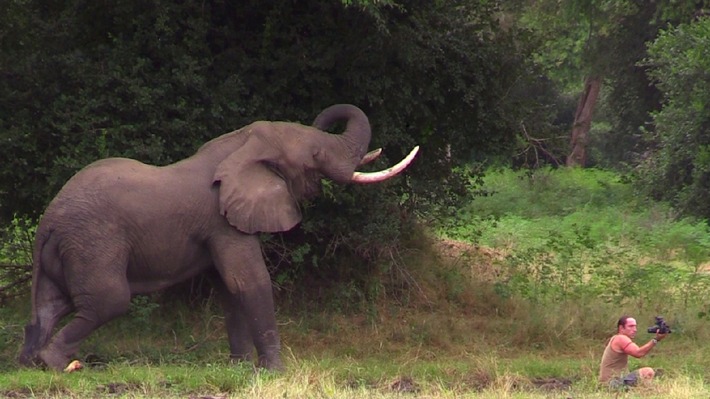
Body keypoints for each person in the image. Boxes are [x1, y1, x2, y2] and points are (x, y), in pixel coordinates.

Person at [598, 315, 669, 388]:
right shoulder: (620, 338)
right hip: (612, 382)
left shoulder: (617, 338)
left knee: (658, 372)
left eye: (635, 326)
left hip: (614, 381)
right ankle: (648, 391)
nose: (635, 329)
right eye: (631, 326)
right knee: (647, 371)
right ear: (621, 328)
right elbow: (638, 353)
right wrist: (656, 339)